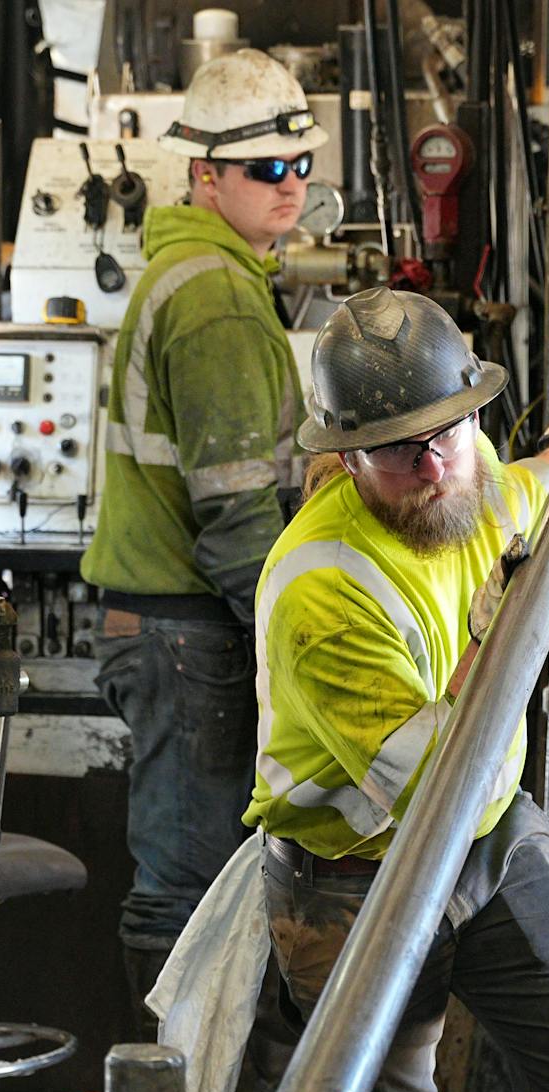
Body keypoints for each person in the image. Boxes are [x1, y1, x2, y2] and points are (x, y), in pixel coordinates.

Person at [242, 286, 549, 1092]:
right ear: (344, 459)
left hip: (490, 842)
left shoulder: (471, 483)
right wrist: (511, 627)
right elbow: (436, 779)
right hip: (356, 885)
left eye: (450, 432)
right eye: (396, 449)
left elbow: (548, 476)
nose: (432, 466)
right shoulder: (318, 586)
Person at [80, 49, 327, 997]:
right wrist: (299, 640)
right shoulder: (216, 296)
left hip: (174, 629)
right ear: (204, 174)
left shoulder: (203, 274)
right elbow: (233, 518)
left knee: (197, 885)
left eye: (300, 163)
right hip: (190, 634)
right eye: (265, 168)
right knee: (187, 894)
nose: (290, 184)